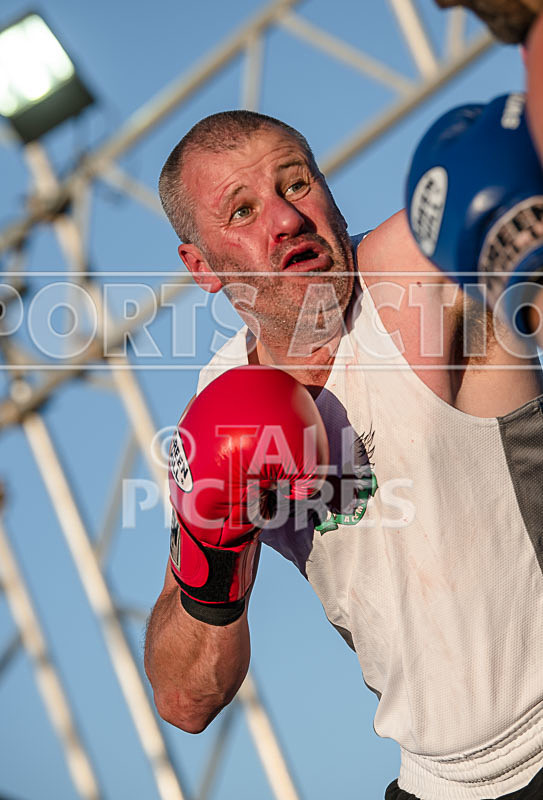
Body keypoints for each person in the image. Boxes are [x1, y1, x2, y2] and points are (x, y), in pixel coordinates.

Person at [144, 104, 543, 800]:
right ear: (201, 266)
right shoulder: (219, 404)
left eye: (295, 184)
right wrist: (212, 542)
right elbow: (185, 699)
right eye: (241, 210)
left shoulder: (423, 273)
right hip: (437, 784)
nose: (285, 219)